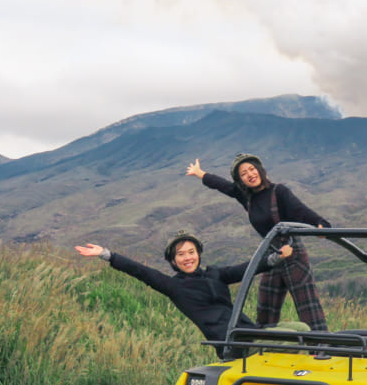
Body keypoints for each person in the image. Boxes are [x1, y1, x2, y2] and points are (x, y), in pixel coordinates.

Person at [75, 230, 299, 358]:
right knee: (294, 343)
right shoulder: (175, 286)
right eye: (181, 254)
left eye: (191, 252)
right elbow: (142, 272)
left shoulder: (215, 275)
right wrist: (106, 254)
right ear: (173, 261)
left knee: (301, 330)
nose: (187, 257)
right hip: (233, 343)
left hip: (251, 332)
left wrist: (275, 258)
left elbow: (247, 268)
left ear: (199, 254)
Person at [186, 153, 330, 331]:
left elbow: (299, 210)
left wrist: (321, 225)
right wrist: (200, 174)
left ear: (260, 170)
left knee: (308, 307)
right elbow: (223, 186)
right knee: (265, 308)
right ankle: (265, 349)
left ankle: (322, 351)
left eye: (252, 169)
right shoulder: (247, 197)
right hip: (271, 255)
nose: (250, 174)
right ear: (241, 180)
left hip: (293, 254)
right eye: (244, 173)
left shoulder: (279, 192)